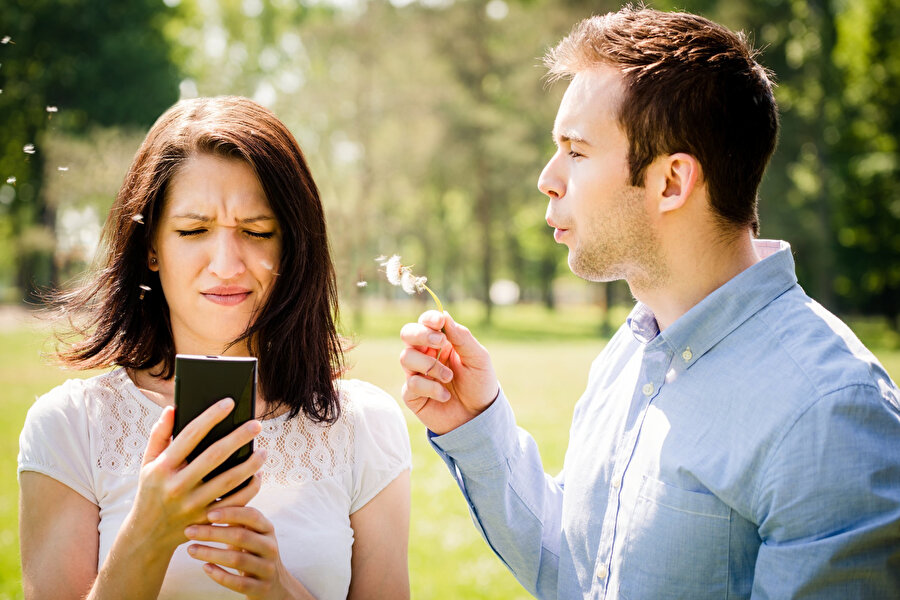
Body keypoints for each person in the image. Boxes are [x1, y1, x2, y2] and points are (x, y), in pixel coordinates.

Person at [400, 7, 900, 599]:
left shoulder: (828, 414)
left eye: (576, 151)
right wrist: (476, 423)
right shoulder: (629, 355)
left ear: (671, 182)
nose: (547, 177)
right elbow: (579, 574)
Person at [19, 96, 411, 600]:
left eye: (256, 231)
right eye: (193, 230)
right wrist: (149, 534)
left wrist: (279, 589)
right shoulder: (70, 426)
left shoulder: (364, 425)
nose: (227, 264)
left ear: (291, 246)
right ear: (151, 247)